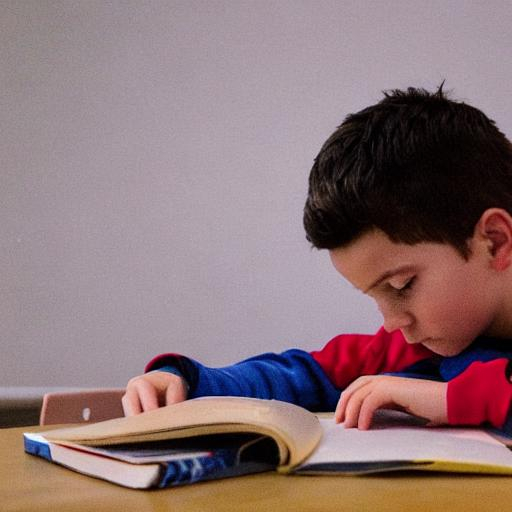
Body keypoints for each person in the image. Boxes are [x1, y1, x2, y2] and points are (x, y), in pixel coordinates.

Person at [122, 85, 512, 434]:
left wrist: (453, 399)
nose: (391, 322)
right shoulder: (424, 345)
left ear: (494, 241)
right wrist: (188, 383)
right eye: (374, 296)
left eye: (402, 286)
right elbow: (305, 374)